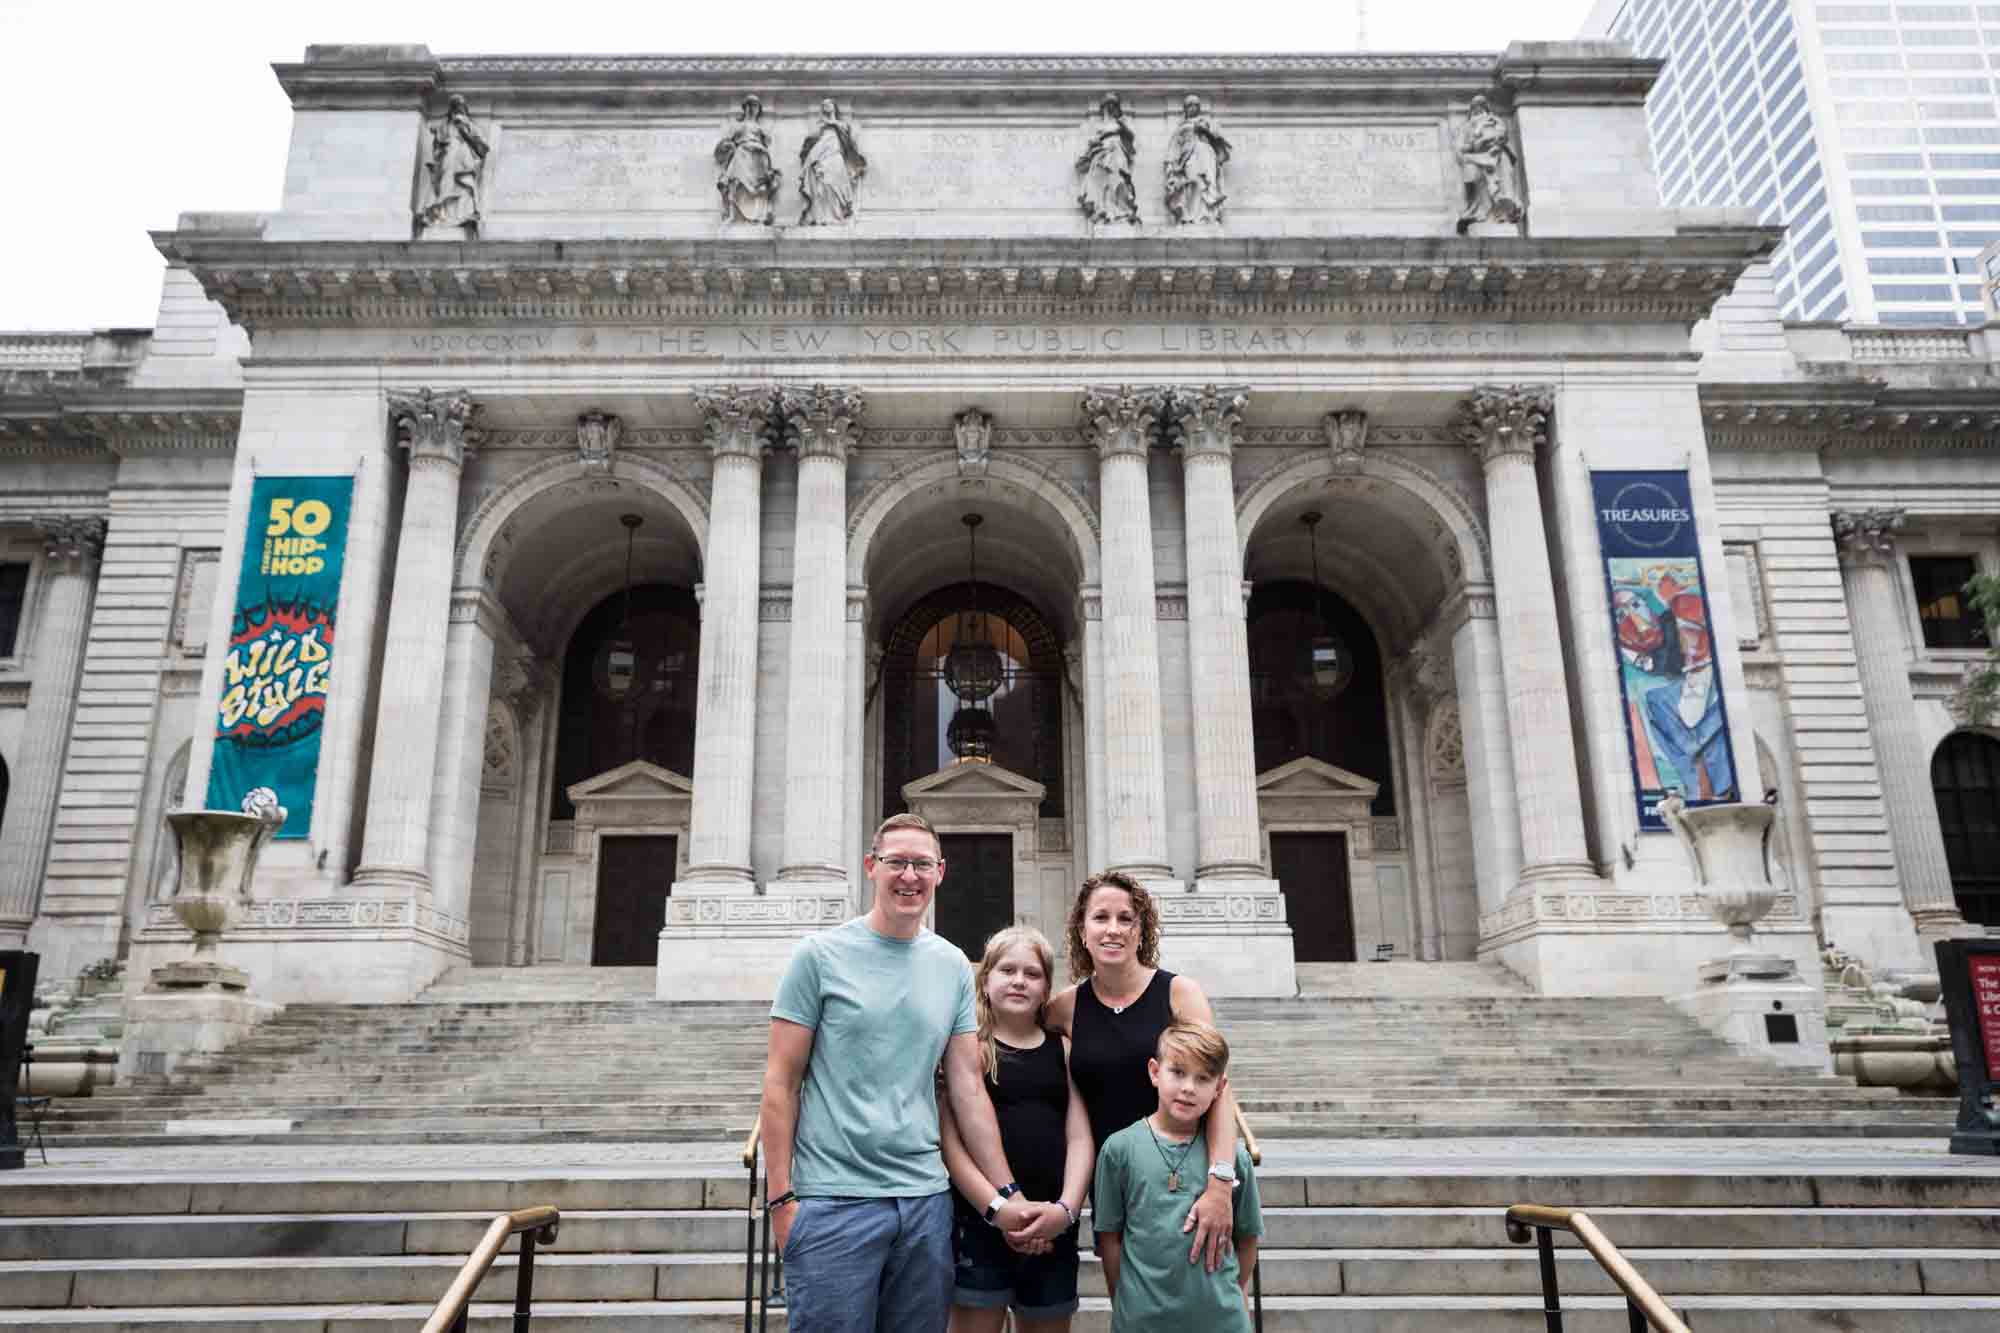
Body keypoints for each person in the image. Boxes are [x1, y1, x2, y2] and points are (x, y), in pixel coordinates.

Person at [761, 812, 1040, 1333]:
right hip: (833, 1202)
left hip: (924, 1203)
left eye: (922, 864)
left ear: (941, 872)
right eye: (897, 862)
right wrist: (781, 1200)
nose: (909, 876)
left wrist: (1007, 1191)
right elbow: (781, 1082)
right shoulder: (816, 957)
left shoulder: (955, 964)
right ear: (871, 867)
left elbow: (966, 1087)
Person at [1043, 872, 1242, 1272]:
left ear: (1141, 930)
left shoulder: (1179, 994)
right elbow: (1016, 1047)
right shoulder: (1064, 1008)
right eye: (1101, 918)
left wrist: (1220, 1181)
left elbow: (1218, 1089)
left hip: (1184, 1173)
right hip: (1113, 1181)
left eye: (1126, 918)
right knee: (1131, 1310)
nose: (1113, 929)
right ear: (1082, 931)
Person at [940, 927, 1094, 1333]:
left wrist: (1066, 1210)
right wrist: (999, 1210)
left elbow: (1080, 1135)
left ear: (1047, 989)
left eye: (1032, 973)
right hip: (978, 1220)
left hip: (1051, 1222)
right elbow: (952, 1146)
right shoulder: (968, 1047)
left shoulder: (1063, 1049)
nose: (1019, 980)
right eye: (1007, 969)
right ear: (985, 980)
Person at [1093, 1022, 1263, 1332]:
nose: (1188, 1087)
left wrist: (1226, 1292)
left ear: (1219, 1089)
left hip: (1220, 1320)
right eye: (1178, 1072)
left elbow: (1247, 1240)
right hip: (1142, 1320)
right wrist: (1127, 1302)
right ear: (1155, 1072)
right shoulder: (1118, 1150)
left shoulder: (1233, 1160)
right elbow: (1110, 1238)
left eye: (1203, 1078)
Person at [1164, 95, 1230, 225]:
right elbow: (1174, 146)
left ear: (1199, 108)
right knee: (1193, 181)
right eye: (1189, 105)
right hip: (1188, 157)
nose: (1192, 108)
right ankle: (1191, 216)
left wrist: (1206, 131)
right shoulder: (1182, 126)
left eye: (1195, 105)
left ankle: (1207, 215)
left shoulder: (1206, 123)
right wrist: (1171, 165)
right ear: (1185, 109)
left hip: (1206, 154)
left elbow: (1219, 141)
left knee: (1208, 182)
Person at [799, 98, 867, 225]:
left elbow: (847, 139)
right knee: (822, 183)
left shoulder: (841, 125)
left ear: (834, 106)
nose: (826, 106)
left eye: (829, 104)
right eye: (824, 105)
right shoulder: (820, 125)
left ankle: (837, 214)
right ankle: (824, 216)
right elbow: (810, 139)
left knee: (835, 181)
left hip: (835, 154)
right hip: (821, 153)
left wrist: (832, 123)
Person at [715, 94, 781, 225]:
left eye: (755, 106)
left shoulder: (760, 128)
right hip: (743, 153)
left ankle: (758, 213)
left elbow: (768, 141)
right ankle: (738, 212)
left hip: (759, 155)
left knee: (761, 183)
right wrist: (729, 147)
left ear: (758, 110)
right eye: (749, 105)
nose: (752, 109)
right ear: (745, 108)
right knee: (737, 179)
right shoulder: (737, 127)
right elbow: (726, 143)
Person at [1076, 93, 1140, 225]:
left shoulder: (1120, 123)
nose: (1110, 107)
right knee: (1100, 180)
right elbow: (1092, 142)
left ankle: (1121, 209)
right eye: (1108, 105)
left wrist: (1123, 126)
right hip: (1103, 154)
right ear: (1103, 108)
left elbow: (1131, 136)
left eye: (1113, 105)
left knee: (1118, 178)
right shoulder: (1099, 126)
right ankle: (1104, 209)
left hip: (1117, 151)